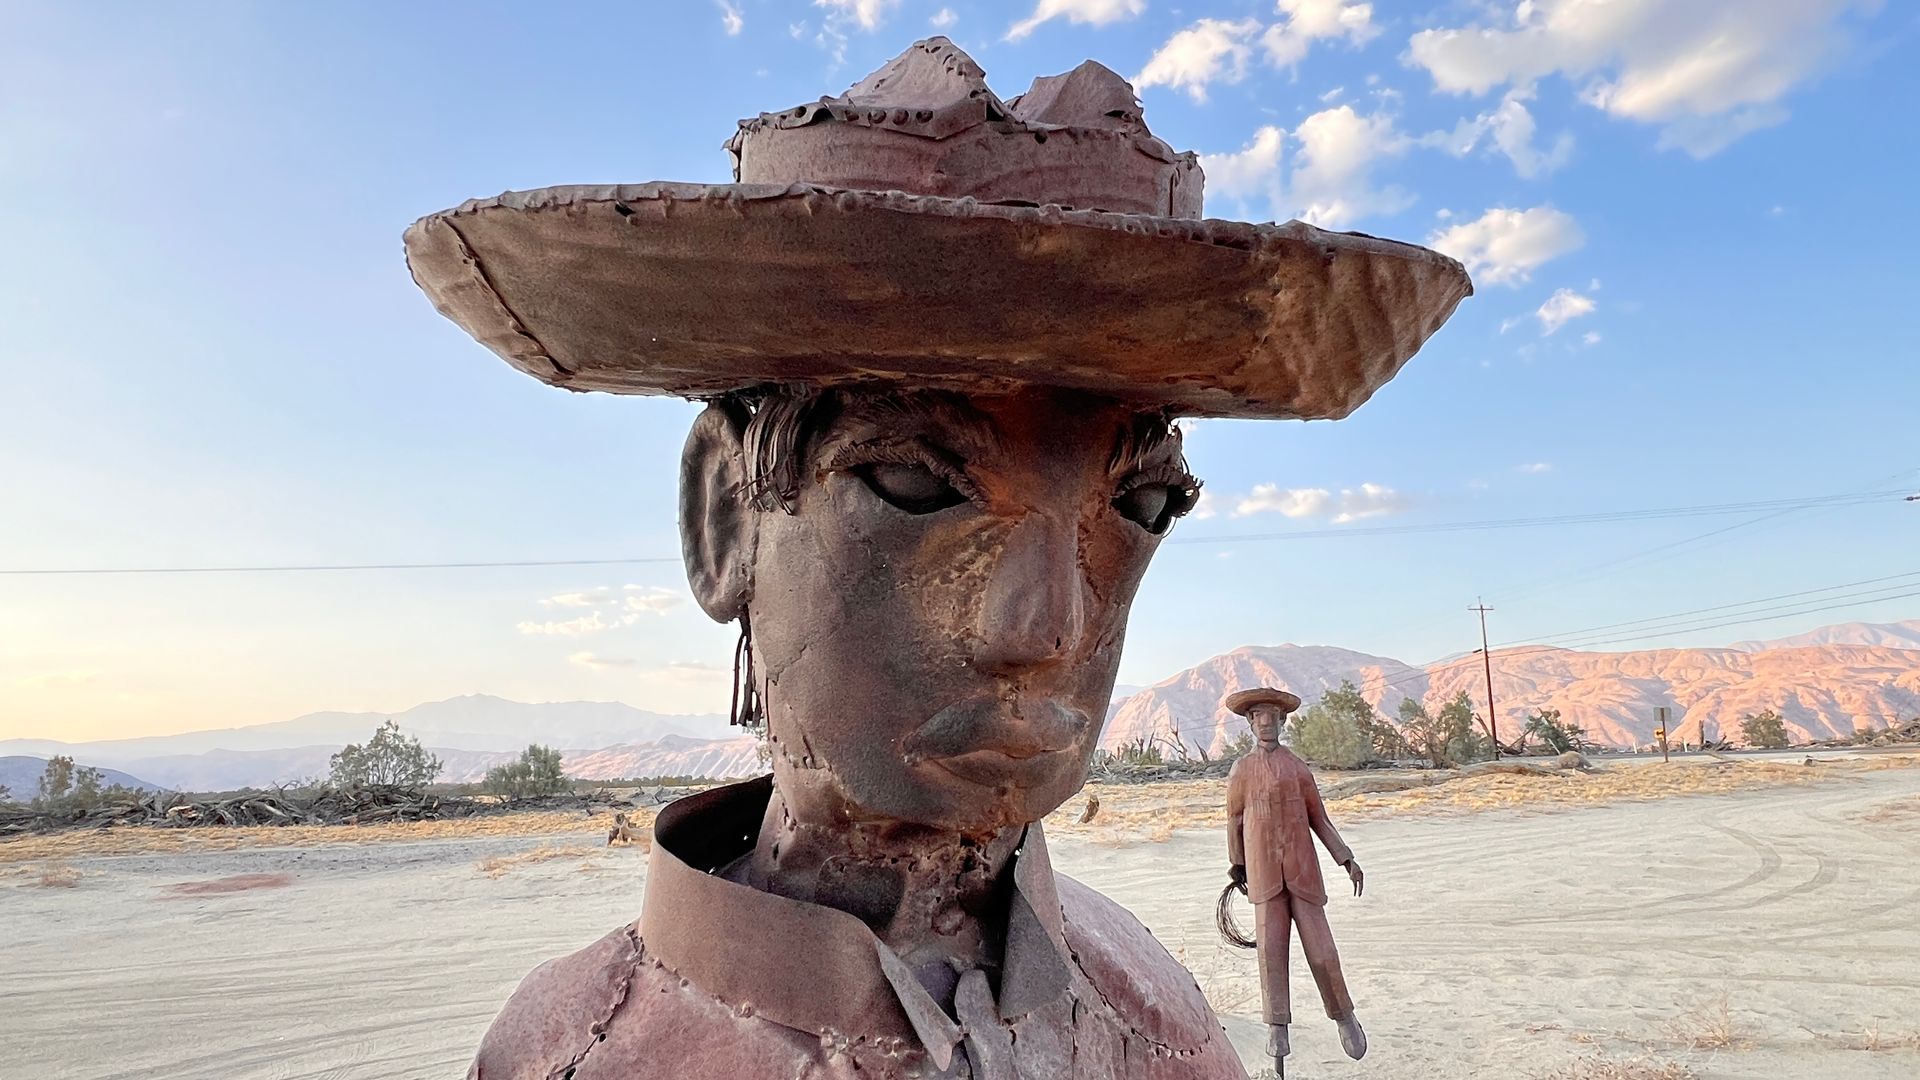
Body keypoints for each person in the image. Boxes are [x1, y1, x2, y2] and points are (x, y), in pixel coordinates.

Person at [405, 36, 1467, 1080]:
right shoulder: (578, 1054)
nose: (1044, 629)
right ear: (727, 520)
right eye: (913, 487)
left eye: (1139, 505)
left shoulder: (1156, 1014)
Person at [1222, 688, 1369, 1075]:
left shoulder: (1298, 768)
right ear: (1250, 724)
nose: (1267, 723)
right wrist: (1238, 865)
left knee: (1321, 949)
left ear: (1283, 722)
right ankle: (1277, 1028)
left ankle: (1343, 1015)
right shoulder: (1241, 771)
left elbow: (1319, 818)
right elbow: (1234, 820)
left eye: (1273, 717)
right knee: (1271, 952)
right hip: (1264, 874)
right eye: (1259, 717)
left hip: (1303, 872)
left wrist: (1345, 857)